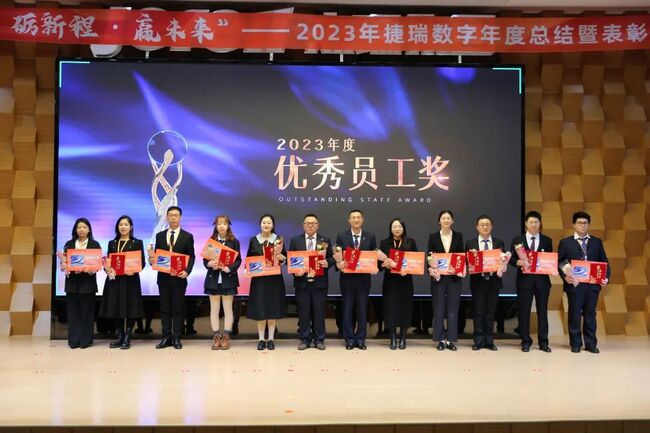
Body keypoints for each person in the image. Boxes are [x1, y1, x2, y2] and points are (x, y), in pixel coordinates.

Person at [558, 211, 610, 354]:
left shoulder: (596, 242)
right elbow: (560, 261)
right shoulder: (566, 242)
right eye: (579, 223)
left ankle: (590, 343)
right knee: (574, 314)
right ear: (574, 225)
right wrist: (565, 276)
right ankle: (575, 343)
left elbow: (604, 262)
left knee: (590, 314)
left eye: (585, 223)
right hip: (574, 284)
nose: (582, 225)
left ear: (589, 225)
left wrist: (606, 277)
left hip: (592, 285)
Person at [149, 206, 195, 350]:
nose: (173, 218)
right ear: (167, 217)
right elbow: (157, 256)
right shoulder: (160, 236)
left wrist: (187, 271)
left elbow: (191, 257)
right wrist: (152, 260)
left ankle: (176, 337)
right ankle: (166, 337)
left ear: (180, 217)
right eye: (171, 215)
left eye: (176, 215)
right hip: (163, 278)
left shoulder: (187, 236)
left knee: (178, 308)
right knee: (165, 308)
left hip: (179, 278)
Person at [508, 210, 553, 353]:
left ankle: (543, 342)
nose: (534, 224)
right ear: (526, 224)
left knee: (542, 312)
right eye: (531, 222)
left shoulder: (547, 240)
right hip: (524, 282)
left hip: (542, 282)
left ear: (540, 224)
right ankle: (525, 341)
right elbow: (511, 258)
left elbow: (550, 259)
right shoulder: (518, 240)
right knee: (524, 312)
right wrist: (518, 262)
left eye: (536, 222)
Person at [289, 213, 334, 350]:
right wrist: (295, 271)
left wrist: (327, 262)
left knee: (319, 312)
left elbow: (332, 258)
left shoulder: (324, 240)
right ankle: (305, 339)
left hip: (319, 283)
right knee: (303, 313)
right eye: (307, 223)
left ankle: (319, 339)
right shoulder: (295, 240)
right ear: (303, 225)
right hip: (302, 283)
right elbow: (291, 261)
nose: (310, 226)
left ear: (317, 225)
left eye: (313, 223)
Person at [99, 215, 145, 350]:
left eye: (126, 224)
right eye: (121, 225)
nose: (123, 227)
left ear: (131, 227)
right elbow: (108, 261)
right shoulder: (112, 243)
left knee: (130, 307)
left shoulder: (137, 242)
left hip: (130, 280)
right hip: (114, 280)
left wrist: (134, 270)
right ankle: (119, 335)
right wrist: (106, 268)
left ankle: (127, 336)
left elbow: (142, 262)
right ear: (117, 227)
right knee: (115, 306)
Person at [335, 209, 377, 350]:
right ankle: (349, 339)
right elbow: (338, 256)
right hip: (347, 280)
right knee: (347, 310)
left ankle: (360, 339)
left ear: (362, 220)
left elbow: (373, 256)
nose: (356, 220)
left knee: (362, 311)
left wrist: (374, 266)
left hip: (363, 280)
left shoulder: (370, 236)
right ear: (349, 220)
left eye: (358, 217)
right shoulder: (342, 236)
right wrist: (339, 264)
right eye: (353, 218)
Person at [245, 214, 287, 350]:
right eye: (264, 222)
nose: (266, 225)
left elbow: (285, 259)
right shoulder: (254, 240)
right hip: (259, 280)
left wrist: (281, 257)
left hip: (274, 280)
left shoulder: (278, 240)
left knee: (273, 308)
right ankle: (261, 339)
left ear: (273, 225)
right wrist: (247, 270)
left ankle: (271, 339)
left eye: (269, 223)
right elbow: (248, 259)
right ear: (260, 224)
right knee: (260, 308)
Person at [465, 214, 505, 351]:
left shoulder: (499, 242)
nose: (485, 227)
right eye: (482, 225)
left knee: (490, 312)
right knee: (478, 312)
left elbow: (503, 262)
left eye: (487, 224)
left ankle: (489, 341)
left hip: (494, 282)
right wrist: (472, 258)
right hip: (478, 282)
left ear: (491, 226)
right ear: (477, 227)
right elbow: (466, 263)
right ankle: (478, 340)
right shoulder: (470, 243)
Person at [427, 210, 464, 351]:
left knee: (453, 309)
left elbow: (461, 255)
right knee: (439, 309)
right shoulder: (433, 237)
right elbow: (429, 256)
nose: (446, 220)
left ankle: (450, 339)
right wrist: (430, 268)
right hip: (438, 278)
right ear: (439, 221)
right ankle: (440, 339)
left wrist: (459, 267)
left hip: (454, 278)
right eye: (443, 218)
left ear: (452, 221)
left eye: (448, 218)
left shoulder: (458, 236)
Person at [61, 217, 101, 349]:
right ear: (75, 230)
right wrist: (64, 267)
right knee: (73, 313)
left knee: (87, 313)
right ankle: (73, 340)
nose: (81, 230)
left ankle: (85, 340)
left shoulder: (94, 245)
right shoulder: (69, 244)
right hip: (72, 283)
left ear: (89, 230)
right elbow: (64, 263)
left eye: (84, 227)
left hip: (87, 283)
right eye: (79, 227)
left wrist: (90, 269)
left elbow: (97, 265)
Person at [203, 215, 241, 350]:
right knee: (214, 309)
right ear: (216, 226)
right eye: (219, 224)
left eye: (224, 224)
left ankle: (226, 336)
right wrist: (209, 264)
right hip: (213, 279)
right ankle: (216, 336)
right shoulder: (211, 241)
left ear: (228, 225)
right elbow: (205, 260)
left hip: (228, 279)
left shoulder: (234, 242)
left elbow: (238, 260)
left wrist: (228, 268)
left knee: (228, 309)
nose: (222, 226)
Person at [379, 218, 417, 350]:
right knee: (391, 309)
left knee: (405, 308)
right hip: (390, 282)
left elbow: (417, 262)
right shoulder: (384, 243)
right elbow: (378, 265)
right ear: (391, 229)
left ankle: (403, 337)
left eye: (399, 226)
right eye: (394, 227)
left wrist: (407, 269)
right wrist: (384, 264)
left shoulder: (410, 242)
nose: (397, 229)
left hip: (405, 281)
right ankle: (392, 338)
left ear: (403, 228)